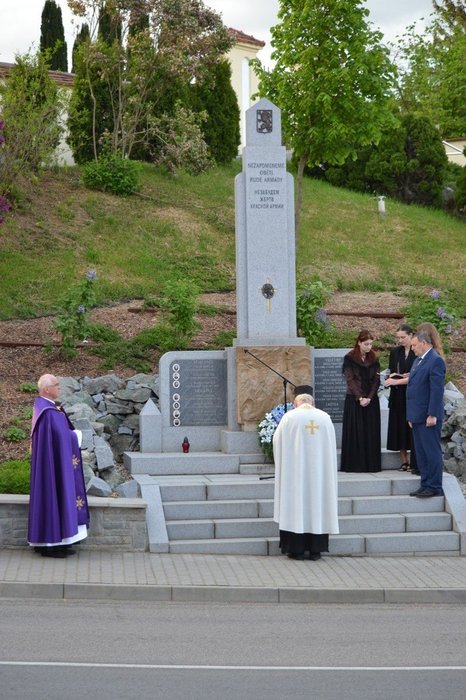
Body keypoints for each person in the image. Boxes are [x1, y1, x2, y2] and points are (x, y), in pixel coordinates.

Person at [28, 374, 90, 557]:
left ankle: (56, 542)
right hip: (52, 465)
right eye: (56, 385)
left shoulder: (45, 408)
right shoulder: (47, 412)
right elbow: (61, 436)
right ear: (46, 389)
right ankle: (51, 545)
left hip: (52, 463)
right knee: (53, 494)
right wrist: (76, 435)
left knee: (54, 494)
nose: (59, 387)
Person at [273, 393, 339, 561]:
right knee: (318, 505)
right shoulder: (324, 418)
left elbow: (277, 441)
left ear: (296, 404)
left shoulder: (290, 417)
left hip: (294, 474)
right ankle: (316, 550)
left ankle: (296, 550)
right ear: (313, 403)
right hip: (320, 475)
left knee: (295, 505)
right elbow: (331, 445)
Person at [406, 331, 446, 498]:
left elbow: (436, 390)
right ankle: (425, 484)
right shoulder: (418, 360)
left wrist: (432, 414)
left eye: (414, 345)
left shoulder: (435, 361)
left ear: (424, 343)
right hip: (417, 416)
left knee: (431, 452)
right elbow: (414, 388)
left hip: (428, 416)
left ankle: (434, 486)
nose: (412, 349)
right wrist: (410, 415)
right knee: (421, 453)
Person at [340, 330, 381, 472]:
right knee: (356, 431)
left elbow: (376, 380)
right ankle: (355, 464)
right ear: (359, 343)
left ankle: (371, 464)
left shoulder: (374, 358)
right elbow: (350, 379)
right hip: (354, 399)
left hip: (371, 399)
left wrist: (369, 397)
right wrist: (360, 397)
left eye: (371, 344)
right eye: (366, 344)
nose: (369, 347)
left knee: (370, 431)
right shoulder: (350, 358)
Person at [384, 324, 418, 472]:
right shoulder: (395, 352)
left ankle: (414, 459)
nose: (400, 340)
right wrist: (390, 377)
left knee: (411, 427)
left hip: (411, 394)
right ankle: (404, 460)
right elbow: (391, 369)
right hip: (397, 395)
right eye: (398, 338)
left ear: (411, 335)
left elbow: (417, 375)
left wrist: (399, 379)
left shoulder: (417, 351)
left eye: (403, 337)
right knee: (399, 427)